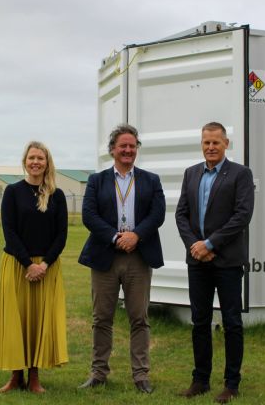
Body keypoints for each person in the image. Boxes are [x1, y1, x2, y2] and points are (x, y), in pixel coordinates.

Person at [78, 123, 166, 394]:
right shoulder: (97, 180)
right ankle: (98, 373)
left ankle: (141, 376)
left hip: (138, 257)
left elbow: (157, 214)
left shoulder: (151, 180)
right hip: (105, 256)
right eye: (122, 146)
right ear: (112, 150)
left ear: (136, 149)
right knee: (101, 318)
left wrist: (136, 236)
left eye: (132, 146)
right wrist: (116, 237)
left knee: (139, 318)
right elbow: (89, 216)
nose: (128, 150)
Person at [175, 122, 255, 404]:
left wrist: (210, 244)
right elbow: (181, 215)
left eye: (216, 143)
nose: (210, 147)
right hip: (197, 261)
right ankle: (200, 380)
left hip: (228, 262)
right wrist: (195, 246)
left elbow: (242, 216)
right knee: (200, 321)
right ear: (202, 143)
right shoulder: (191, 173)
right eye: (206, 143)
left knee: (232, 322)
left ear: (226, 144)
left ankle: (232, 383)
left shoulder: (240, 175)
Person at [0, 141, 68, 393]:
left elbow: (61, 235)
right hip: (17, 265)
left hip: (47, 267)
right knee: (17, 321)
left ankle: (34, 377)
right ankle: (16, 376)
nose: (35, 162)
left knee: (37, 321)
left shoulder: (57, 195)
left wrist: (44, 264)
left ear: (47, 163)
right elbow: (9, 231)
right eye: (31, 157)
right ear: (25, 161)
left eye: (40, 158)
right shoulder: (12, 192)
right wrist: (28, 264)